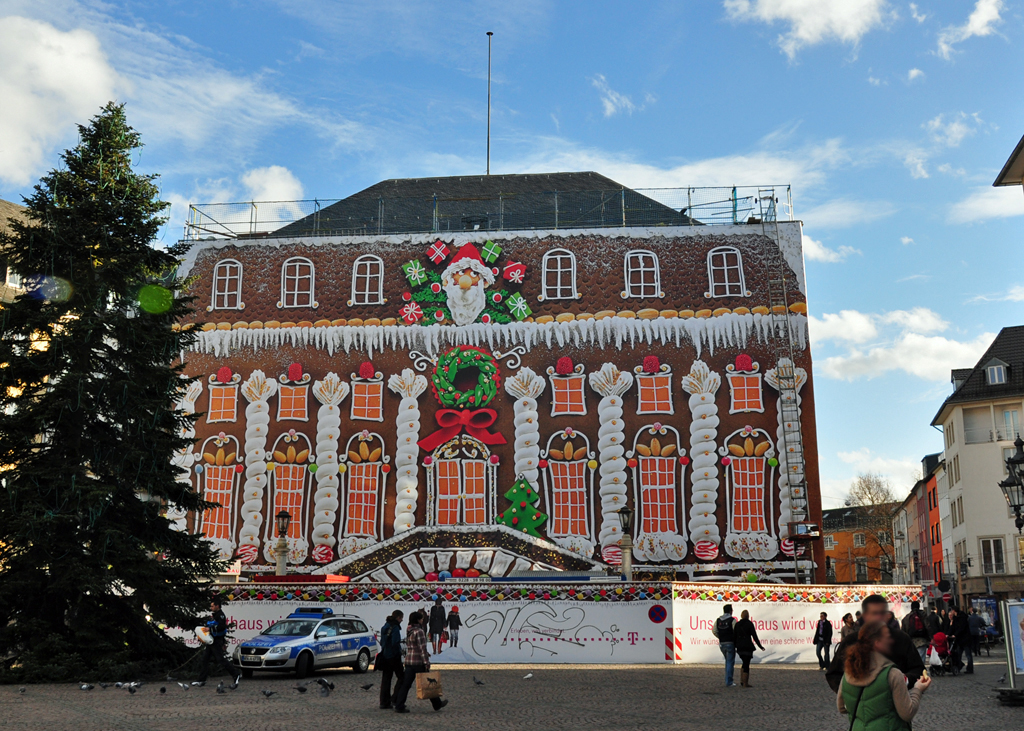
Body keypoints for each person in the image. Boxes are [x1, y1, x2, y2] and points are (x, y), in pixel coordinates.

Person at [836, 621, 931, 730]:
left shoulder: (849, 672)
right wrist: (917, 689)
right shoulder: (893, 674)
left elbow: (841, 707)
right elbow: (907, 713)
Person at [827, 594, 925, 693]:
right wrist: (850, 694)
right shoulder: (851, 641)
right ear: (865, 616)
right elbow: (834, 674)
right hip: (861, 704)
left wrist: (902, 681)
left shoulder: (901, 638)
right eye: (874, 613)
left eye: (882, 613)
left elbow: (918, 670)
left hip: (894, 701)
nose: (879, 617)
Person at [392, 612, 447, 714]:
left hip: (409, 661)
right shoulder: (420, 631)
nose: (422, 620)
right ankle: (437, 704)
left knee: (406, 685)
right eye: (421, 619)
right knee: (429, 682)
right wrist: (426, 662)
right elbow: (422, 648)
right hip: (418, 662)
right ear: (418, 620)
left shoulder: (409, 630)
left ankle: (399, 705)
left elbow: (413, 646)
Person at [196, 597, 240, 686]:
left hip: (216, 641)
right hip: (211, 641)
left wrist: (210, 628)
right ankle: (202, 680)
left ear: (217, 606)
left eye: (212, 606)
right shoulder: (215, 615)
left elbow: (222, 627)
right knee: (205, 659)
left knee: (221, 660)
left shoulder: (220, 615)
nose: (211, 608)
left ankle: (235, 674)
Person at [377, 611, 405, 710]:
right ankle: (395, 698)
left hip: (385, 656)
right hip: (394, 657)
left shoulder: (385, 626)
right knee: (402, 677)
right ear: (398, 618)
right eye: (401, 618)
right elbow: (395, 642)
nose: (402, 620)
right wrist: (399, 653)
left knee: (386, 679)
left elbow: (382, 642)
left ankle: (384, 702)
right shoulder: (395, 627)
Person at [733, 609, 765, 687]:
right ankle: (745, 683)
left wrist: (735, 646)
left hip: (740, 647)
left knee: (744, 662)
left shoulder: (737, 624)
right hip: (747, 647)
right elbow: (754, 636)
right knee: (746, 664)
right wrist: (760, 646)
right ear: (748, 616)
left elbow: (734, 636)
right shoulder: (749, 624)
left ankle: (741, 680)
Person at [711, 603, 737, 687]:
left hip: (722, 644)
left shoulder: (718, 620)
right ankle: (729, 681)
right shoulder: (732, 620)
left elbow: (714, 630)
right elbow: (736, 631)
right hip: (730, 643)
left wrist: (720, 637)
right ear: (730, 611)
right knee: (730, 662)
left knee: (727, 661)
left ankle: (728, 680)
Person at [949, 605, 972, 674]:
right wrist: (948, 634)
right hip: (959, 639)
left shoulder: (962, 617)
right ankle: (958, 666)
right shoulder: (956, 618)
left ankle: (970, 669)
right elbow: (953, 627)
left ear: (954, 611)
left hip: (965, 638)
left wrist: (955, 634)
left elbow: (961, 628)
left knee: (968, 655)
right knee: (958, 654)